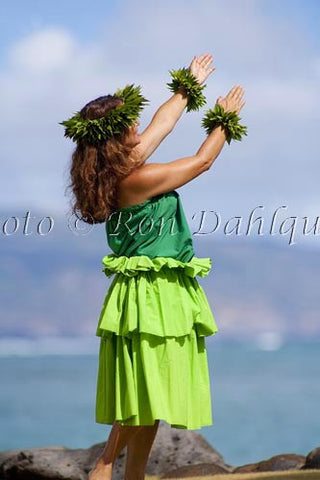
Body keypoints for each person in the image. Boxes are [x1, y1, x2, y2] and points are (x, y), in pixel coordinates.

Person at [61, 53, 246, 480]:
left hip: (152, 290)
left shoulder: (115, 170)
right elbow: (201, 162)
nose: (137, 128)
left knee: (151, 399)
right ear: (118, 136)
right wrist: (224, 118)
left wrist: (188, 87)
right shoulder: (135, 180)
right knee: (146, 388)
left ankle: (134, 476)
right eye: (130, 125)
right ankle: (104, 466)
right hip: (153, 294)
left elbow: (162, 124)